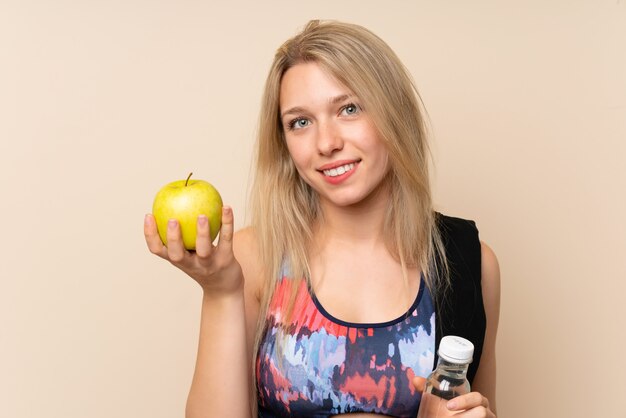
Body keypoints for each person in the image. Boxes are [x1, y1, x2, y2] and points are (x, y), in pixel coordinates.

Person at [144, 20, 500, 418]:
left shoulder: (469, 262)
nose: (327, 143)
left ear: (393, 112)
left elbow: (480, 407)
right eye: (300, 122)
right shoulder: (255, 257)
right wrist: (220, 291)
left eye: (348, 109)